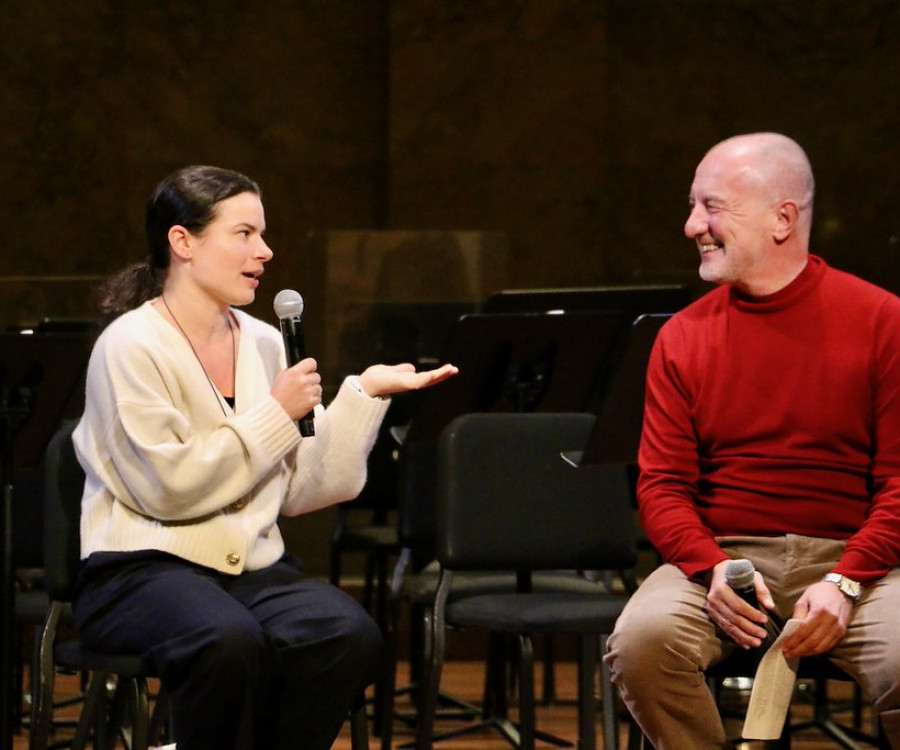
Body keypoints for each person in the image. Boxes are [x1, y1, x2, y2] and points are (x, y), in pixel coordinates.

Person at [71, 164, 458, 750]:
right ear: (183, 242)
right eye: (244, 234)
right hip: (139, 569)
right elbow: (167, 489)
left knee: (346, 634)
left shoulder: (265, 341)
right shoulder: (130, 345)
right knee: (226, 640)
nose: (265, 251)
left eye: (263, 234)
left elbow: (299, 491)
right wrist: (277, 413)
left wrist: (364, 394)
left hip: (246, 569)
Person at [605, 133, 900, 749]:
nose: (692, 226)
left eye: (711, 207)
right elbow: (661, 486)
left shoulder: (882, 321)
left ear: (782, 219)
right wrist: (710, 565)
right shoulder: (682, 337)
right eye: (693, 206)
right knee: (641, 644)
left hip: (860, 563)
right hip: (724, 557)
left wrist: (846, 580)